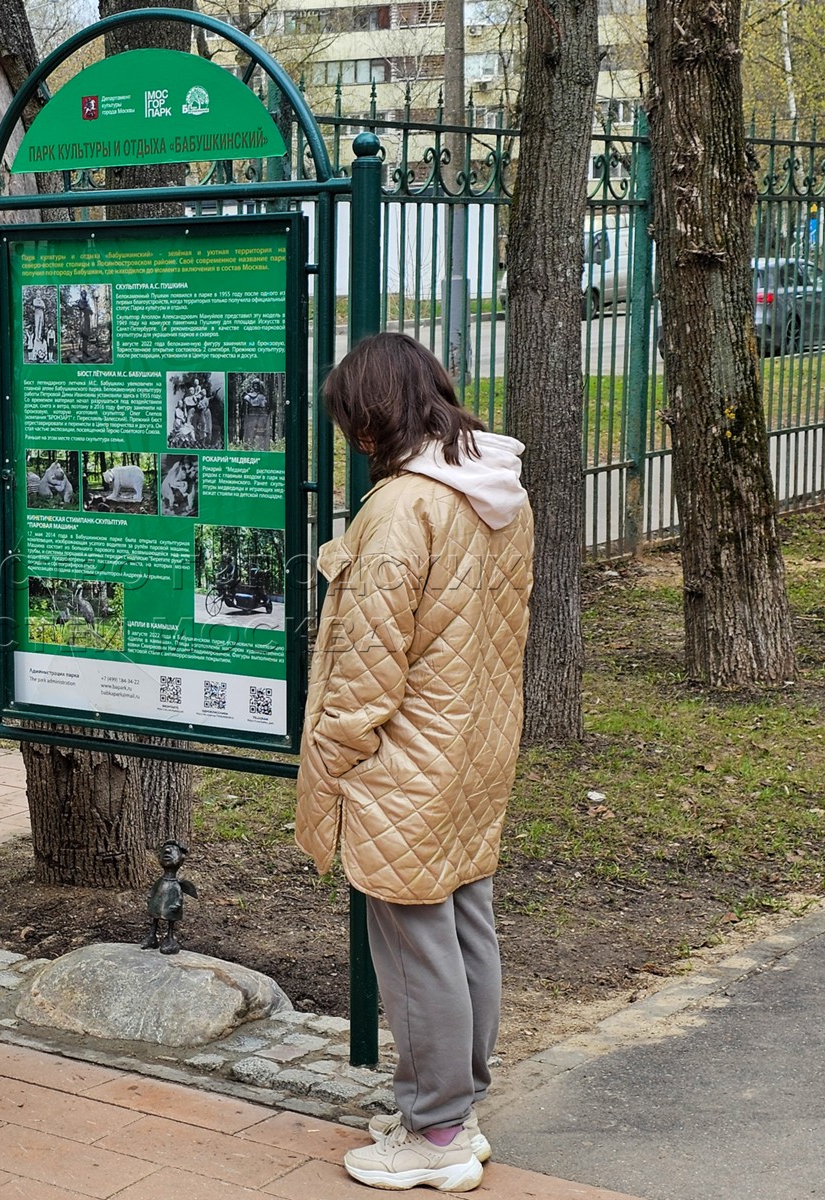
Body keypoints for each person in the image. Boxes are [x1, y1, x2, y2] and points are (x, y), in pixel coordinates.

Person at [294, 332, 534, 1192]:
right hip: (472, 744)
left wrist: (334, 757)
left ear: (371, 418)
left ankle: (434, 1135)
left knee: (411, 942)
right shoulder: (497, 486)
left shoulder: (402, 509)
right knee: (466, 919)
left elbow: (366, 668)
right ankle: (455, 1104)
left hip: (403, 758)